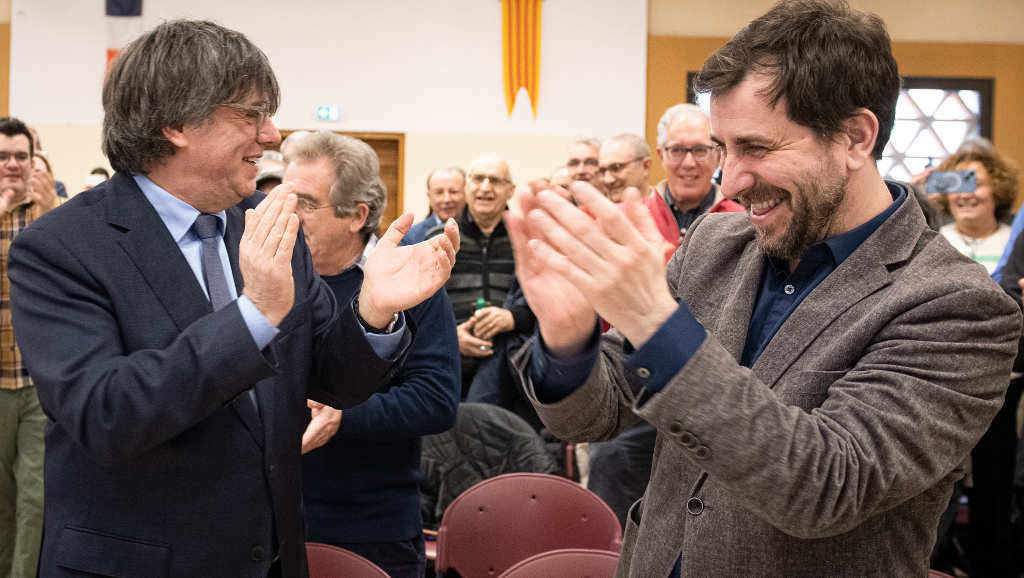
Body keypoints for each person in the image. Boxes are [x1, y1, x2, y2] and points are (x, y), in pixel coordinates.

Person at [505, 1, 1021, 575]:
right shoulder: (716, 244)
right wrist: (568, 339)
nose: (730, 178)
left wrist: (655, 319)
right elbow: (595, 417)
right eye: (722, 147)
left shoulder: (958, 306)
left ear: (855, 137)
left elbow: (825, 487)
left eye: (756, 148)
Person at [8, 20, 458, 578]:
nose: (271, 135)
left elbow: (328, 379)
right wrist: (253, 317)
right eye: (251, 114)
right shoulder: (62, 247)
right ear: (176, 123)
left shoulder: (265, 226)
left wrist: (374, 310)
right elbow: (106, 415)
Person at [288, 132, 459, 578]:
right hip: (272, 521)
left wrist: (344, 414)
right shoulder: (270, 273)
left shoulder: (407, 282)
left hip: (370, 528)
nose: (289, 213)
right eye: (285, 197)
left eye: (306, 202)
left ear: (356, 216)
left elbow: (436, 401)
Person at [0, 116, 60, 578]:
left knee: (34, 497)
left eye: (21, 156)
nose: (13, 165)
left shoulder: (52, 212)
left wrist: (48, 212)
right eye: (3, 157)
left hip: (38, 381)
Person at [448, 154, 534, 397]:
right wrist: (450, 336)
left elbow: (547, 306)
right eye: (478, 179)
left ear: (510, 190)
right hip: (450, 366)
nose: (485, 187)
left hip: (512, 371)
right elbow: (420, 308)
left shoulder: (528, 240)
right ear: (466, 185)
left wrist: (513, 317)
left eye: (495, 180)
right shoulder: (440, 237)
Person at [933, 144, 1017, 275]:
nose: (965, 195)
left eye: (975, 184)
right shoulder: (933, 241)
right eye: (957, 185)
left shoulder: (1015, 242)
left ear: (998, 189)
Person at [401, 166, 466, 245]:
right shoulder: (410, 237)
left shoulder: (481, 232)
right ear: (429, 196)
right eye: (439, 192)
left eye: (453, 191)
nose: (447, 199)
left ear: (466, 193)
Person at [598, 133, 655, 202]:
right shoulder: (594, 210)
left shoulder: (667, 209)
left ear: (645, 166)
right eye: (602, 171)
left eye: (616, 168)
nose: (607, 180)